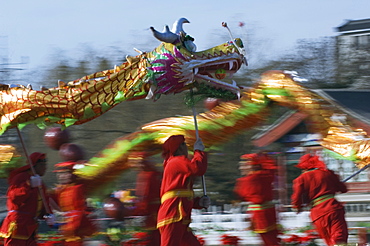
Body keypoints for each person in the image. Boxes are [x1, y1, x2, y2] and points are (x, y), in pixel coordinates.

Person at [157, 135, 210, 246]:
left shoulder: (178, 163)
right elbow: (198, 168)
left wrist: (198, 202)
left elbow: (182, 193)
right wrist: (199, 152)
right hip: (173, 215)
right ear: (179, 147)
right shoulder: (176, 161)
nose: (186, 147)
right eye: (184, 144)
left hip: (180, 217)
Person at [291, 154, 348, 246]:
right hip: (333, 208)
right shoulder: (328, 173)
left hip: (317, 213)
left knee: (329, 240)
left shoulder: (301, 179)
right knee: (339, 237)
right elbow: (343, 189)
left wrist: (297, 207)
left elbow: (297, 197)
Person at [0, 152, 52, 246]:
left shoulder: (40, 182)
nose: (45, 168)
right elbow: (14, 197)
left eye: (45, 164)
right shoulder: (21, 177)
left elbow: (43, 203)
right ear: (34, 165)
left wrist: (48, 215)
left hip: (31, 229)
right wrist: (28, 185)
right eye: (42, 165)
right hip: (18, 227)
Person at [234, 153, 280, 246]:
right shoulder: (266, 175)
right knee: (272, 239)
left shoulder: (248, 180)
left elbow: (240, 194)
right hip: (270, 210)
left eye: (244, 166)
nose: (241, 168)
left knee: (268, 240)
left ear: (251, 166)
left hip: (260, 213)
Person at [49, 160, 98, 246]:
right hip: (65, 226)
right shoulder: (59, 190)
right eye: (59, 174)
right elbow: (49, 200)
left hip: (77, 226)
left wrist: (82, 166)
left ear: (72, 174)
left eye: (65, 173)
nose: (61, 176)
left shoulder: (78, 187)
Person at [128, 152, 162, 246]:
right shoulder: (157, 173)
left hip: (151, 213)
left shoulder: (146, 175)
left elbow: (144, 196)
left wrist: (136, 210)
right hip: (159, 210)